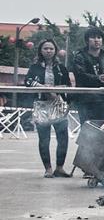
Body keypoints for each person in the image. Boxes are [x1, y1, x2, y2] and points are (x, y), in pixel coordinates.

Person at [24, 39, 72, 178]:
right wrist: (45, 89)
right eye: (46, 48)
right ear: (41, 50)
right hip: (41, 105)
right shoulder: (34, 67)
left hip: (58, 104)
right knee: (44, 139)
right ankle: (48, 168)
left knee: (63, 138)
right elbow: (28, 81)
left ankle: (60, 167)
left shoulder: (61, 68)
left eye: (51, 48)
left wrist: (63, 100)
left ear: (55, 50)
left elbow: (67, 86)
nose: (48, 51)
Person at [69, 27, 104, 125]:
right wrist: (98, 78)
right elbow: (80, 75)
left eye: (99, 37)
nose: (96, 40)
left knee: (103, 129)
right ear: (87, 40)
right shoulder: (79, 57)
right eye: (93, 37)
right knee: (87, 130)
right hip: (86, 99)